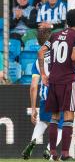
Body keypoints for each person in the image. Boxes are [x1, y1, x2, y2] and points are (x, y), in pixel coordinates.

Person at [38, 9, 75, 160]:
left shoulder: (54, 35)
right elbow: (74, 57)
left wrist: (43, 74)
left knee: (54, 117)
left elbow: (40, 52)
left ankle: (53, 152)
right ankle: (65, 153)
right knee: (68, 117)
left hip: (53, 80)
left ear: (66, 21)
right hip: (67, 81)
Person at [21, 29, 63, 160]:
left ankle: (33, 141)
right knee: (62, 125)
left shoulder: (37, 62)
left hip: (45, 95)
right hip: (61, 93)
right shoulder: (60, 54)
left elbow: (33, 86)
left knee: (44, 121)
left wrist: (33, 108)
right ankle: (50, 149)